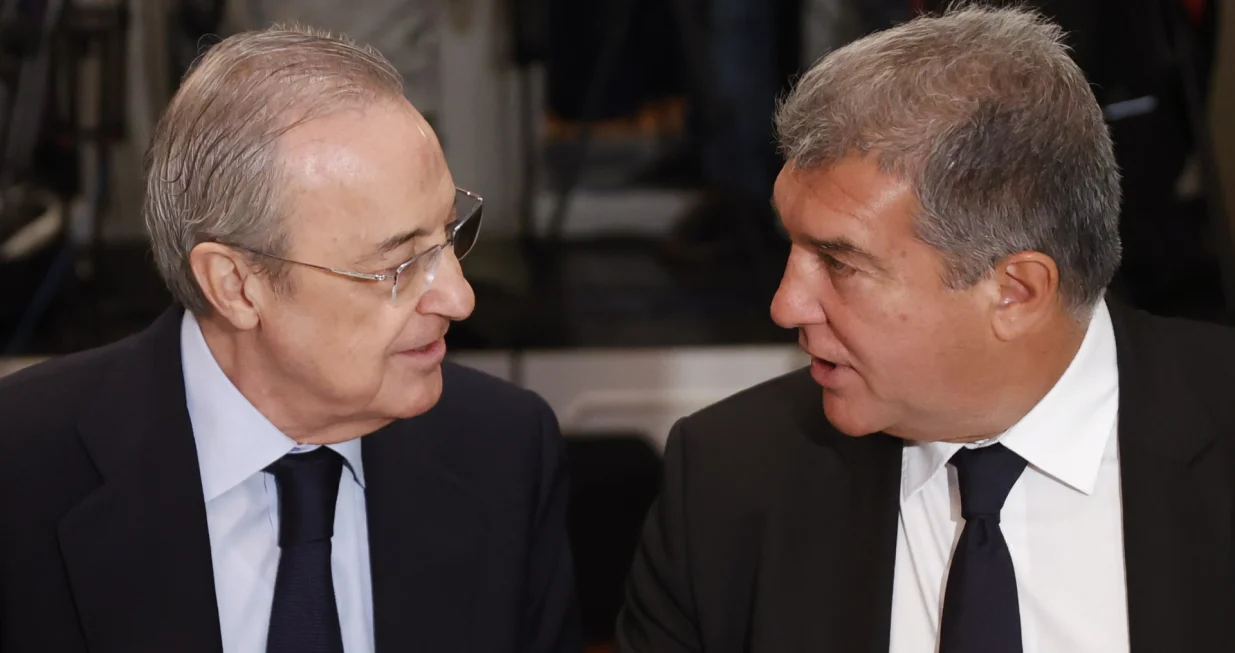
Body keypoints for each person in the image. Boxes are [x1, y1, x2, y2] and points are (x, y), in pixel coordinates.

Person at [617, 6, 1235, 653]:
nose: (785, 305)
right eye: (792, 247)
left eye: (839, 262)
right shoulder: (726, 482)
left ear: (1016, 292)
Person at [0, 25, 580, 653]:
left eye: (449, 235)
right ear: (235, 286)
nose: (460, 298)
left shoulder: (504, 452)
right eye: (397, 264)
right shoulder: (22, 467)